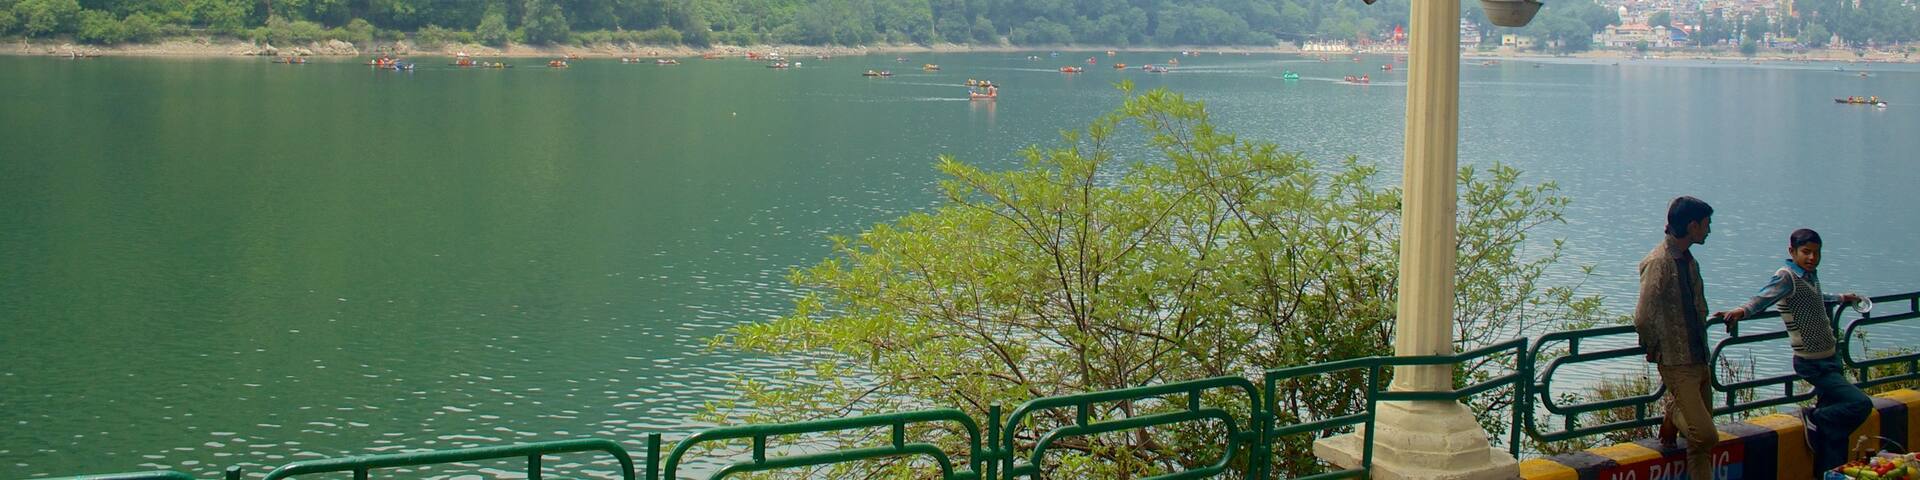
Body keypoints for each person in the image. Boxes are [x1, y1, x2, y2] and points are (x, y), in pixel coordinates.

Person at [1718, 229, 1871, 476]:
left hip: (1829, 358)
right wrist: (1741, 312)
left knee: (1834, 438)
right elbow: (1763, 298)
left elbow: (1818, 299)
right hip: (1812, 363)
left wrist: (1844, 297)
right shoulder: (1787, 276)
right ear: (1792, 252)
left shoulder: (1810, 276)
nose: (1812, 257)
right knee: (1859, 404)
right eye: (1806, 252)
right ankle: (1816, 417)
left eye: (1816, 253)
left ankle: (1829, 472)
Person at [1633, 196, 1717, 480]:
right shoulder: (1659, 262)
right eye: (1706, 225)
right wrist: (1655, 347)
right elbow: (1643, 317)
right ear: (1692, 225)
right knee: (1705, 434)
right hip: (1677, 361)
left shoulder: (1689, 260)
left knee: (1699, 447)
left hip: (1699, 357)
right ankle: (1672, 407)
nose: (1708, 231)